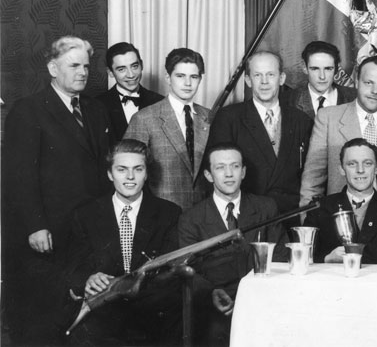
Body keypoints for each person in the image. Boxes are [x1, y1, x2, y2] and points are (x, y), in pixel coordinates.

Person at [3, 35, 112, 345]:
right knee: (43, 317)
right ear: (53, 68)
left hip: (86, 230)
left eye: (86, 66)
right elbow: (18, 177)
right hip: (48, 231)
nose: (82, 72)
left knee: (83, 318)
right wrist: (35, 225)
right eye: (73, 66)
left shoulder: (95, 110)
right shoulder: (28, 110)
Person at [65, 139, 182, 346]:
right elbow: (74, 267)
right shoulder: (85, 214)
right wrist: (89, 278)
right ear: (110, 174)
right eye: (121, 169)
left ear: (146, 174)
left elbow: (170, 274)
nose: (130, 177)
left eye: (138, 169)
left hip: (151, 318)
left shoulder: (169, 213)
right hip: (103, 317)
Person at [178, 143, 289, 346]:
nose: (229, 174)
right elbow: (189, 271)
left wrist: (253, 296)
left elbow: (281, 256)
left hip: (262, 303)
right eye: (220, 167)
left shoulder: (266, 207)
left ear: (243, 171)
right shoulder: (191, 218)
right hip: (216, 309)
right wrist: (211, 293)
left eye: (235, 166)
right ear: (208, 175)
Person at [208, 51, 313, 229]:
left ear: (282, 78)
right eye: (258, 75)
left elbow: (310, 175)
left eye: (270, 74)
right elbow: (217, 173)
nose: (264, 82)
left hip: (290, 218)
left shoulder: (301, 120)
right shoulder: (229, 118)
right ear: (248, 80)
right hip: (246, 219)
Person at [300, 54, 377, 208]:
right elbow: (313, 179)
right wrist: (309, 218)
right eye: (368, 83)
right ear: (357, 81)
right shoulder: (328, 118)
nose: (374, 91)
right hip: (341, 213)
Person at [124, 48, 210, 209]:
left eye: (194, 77)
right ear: (168, 78)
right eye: (180, 76)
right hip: (161, 213)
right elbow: (129, 173)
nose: (188, 83)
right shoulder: (144, 118)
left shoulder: (210, 117)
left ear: (200, 79)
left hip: (202, 214)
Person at [304, 138, 377, 264]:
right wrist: (327, 259)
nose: (360, 170)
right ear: (342, 169)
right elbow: (303, 258)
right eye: (352, 164)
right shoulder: (319, 208)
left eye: (367, 163)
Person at [96, 42, 164, 141]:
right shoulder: (97, 105)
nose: (131, 75)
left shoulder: (160, 102)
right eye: (121, 69)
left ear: (142, 65)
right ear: (110, 73)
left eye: (134, 66)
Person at [284, 41, 356, 119]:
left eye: (328, 69)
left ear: (337, 68)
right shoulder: (287, 100)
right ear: (304, 67)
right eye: (315, 69)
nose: (322, 76)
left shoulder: (355, 97)